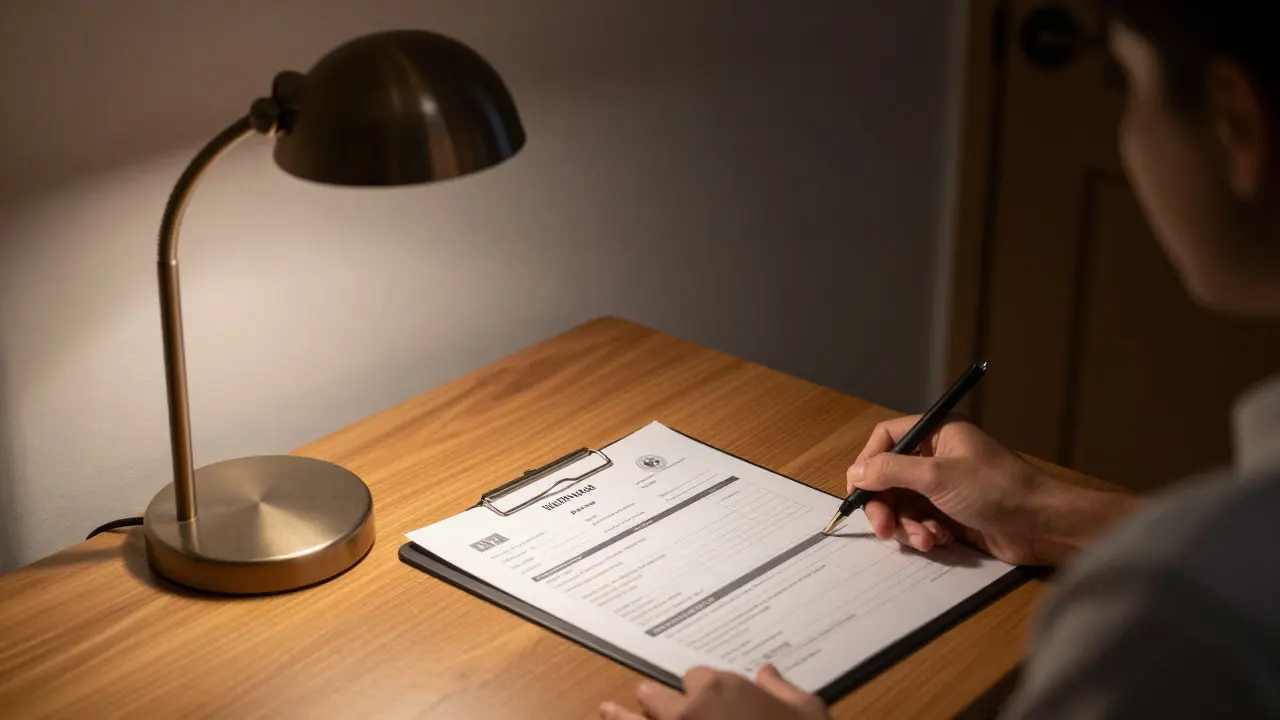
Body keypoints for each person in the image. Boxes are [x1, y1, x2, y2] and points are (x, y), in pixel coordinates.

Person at [599, 1, 1280, 718]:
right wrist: (1045, 512)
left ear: (1234, 121)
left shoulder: (1177, 622)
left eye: (1128, 83)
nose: (1127, 135)